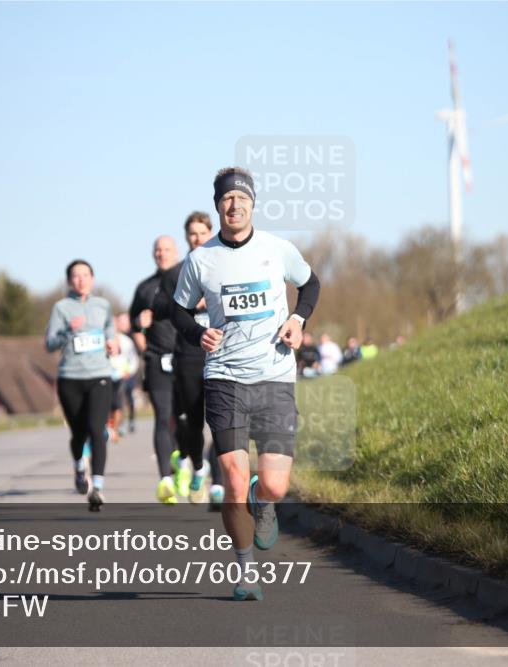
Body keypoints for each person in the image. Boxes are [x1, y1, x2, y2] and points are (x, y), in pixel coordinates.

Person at [171, 167, 320, 600]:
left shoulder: (278, 249)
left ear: (253, 203)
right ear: (218, 205)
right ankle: (244, 571)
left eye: (241, 199)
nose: (234, 206)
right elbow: (178, 310)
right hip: (225, 378)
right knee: (233, 477)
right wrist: (196, 332)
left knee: (273, 485)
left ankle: (264, 497)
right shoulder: (201, 260)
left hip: (274, 375)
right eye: (226, 200)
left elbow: (310, 284)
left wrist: (298, 318)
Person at [153, 211, 225, 507]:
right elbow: (159, 307)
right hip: (188, 355)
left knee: (222, 422)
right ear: (186, 238)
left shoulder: (225, 267)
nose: (197, 238)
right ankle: (198, 466)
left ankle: (218, 486)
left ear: (210, 233)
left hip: (222, 353)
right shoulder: (177, 273)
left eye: (202, 233)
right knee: (192, 425)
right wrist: (185, 301)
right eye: (192, 234)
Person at [45, 259, 119, 511]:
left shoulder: (103, 305)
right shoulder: (61, 308)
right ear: (69, 281)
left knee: (97, 430)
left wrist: (112, 343)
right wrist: (68, 331)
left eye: (85, 275)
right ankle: (79, 466)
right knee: (78, 433)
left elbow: (111, 331)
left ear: (93, 279)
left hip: (100, 375)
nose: (81, 280)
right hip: (70, 378)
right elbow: (49, 343)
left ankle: (97, 487)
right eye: (76, 276)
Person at [130, 236, 181, 503]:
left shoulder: (188, 278)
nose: (162, 254)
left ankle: (182, 458)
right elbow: (133, 324)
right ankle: (165, 481)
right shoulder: (145, 288)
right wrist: (141, 330)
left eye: (167, 249)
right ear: (153, 254)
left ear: (177, 252)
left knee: (185, 418)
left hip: (187, 358)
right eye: (158, 250)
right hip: (157, 359)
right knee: (163, 416)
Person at [108, 313, 138, 441]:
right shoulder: (103, 339)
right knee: (108, 404)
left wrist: (129, 371)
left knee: (119, 403)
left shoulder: (126, 341)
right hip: (106, 376)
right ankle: (110, 427)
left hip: (122, 376)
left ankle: (117, 427)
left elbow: (133, 358)